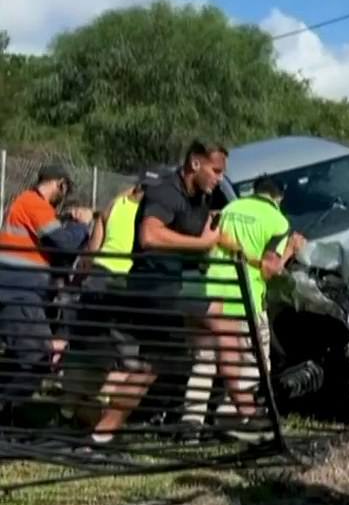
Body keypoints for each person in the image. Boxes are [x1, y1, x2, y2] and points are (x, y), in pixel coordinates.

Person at [90, 141, 234, 441]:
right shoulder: (164, 193)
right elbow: (150, 235)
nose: (219, 178)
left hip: (150, 285)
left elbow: (199, 238)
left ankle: (101, 435)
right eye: (216, 171)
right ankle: (243, 416)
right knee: (224, 324)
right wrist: (203, 244)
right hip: (150, 287)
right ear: (195, 163)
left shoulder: (192, 200)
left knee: (147, 367)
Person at [200, 176, 305, 440]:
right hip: (247, 296)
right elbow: (271, 269)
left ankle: (204, 422)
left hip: (214, 291)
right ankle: (237, 419)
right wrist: (292, 248)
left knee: (212, 359)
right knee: (256, 363)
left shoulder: (230, 209)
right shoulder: (277, 221)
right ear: (277, 198)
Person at [61, 170, 163, 439]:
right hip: (125, 283)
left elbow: (92, 251)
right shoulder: (153, 214)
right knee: (128, 356)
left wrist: (79, 281)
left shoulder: (115, 204)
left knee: (90, 349)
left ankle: (72, 410)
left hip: (99, 278)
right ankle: (104, 413)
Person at [0, 165, 92, 413]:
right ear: (59, 184)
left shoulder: (27, 204)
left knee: (20, 359)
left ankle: (9, 418)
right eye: (65, 190)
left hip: (18, 291)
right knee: (38, 357)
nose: (63, 199)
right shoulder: (33, 203)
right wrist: (82, 225)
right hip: (19, 293)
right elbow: (64, 244)